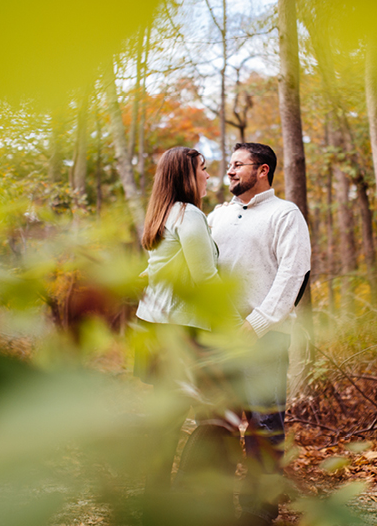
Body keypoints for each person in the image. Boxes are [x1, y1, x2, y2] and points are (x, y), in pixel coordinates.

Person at [134, 146, 241, 526]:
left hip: (157, 329)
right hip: (186, 333)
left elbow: (157, 270)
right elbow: (206, 281)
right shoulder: (190, 215)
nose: (210, 176)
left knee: (166, 421)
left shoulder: (162, 214)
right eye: (204, 169)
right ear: (186, 176)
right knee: (214, 417)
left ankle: (156, 505)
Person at [208, 142, 312, 526]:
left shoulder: (285, 214)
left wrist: (257, 323)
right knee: (214, 420)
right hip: (218, 336)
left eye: (238, 164)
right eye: (229, 165)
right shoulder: (216, 216)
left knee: (264, 425)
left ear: (263, 169)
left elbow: (294, 273)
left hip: (264, 336)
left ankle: (258, 512)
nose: (230, 171)